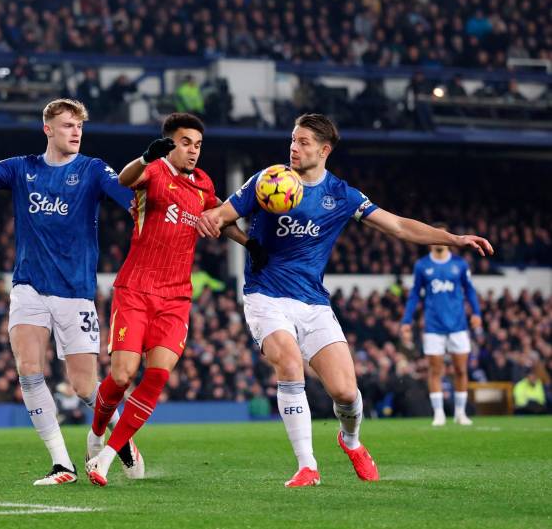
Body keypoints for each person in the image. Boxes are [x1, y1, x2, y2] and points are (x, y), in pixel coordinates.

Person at [196, 113, 493, 488]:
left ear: (324, 149)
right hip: (265, 296)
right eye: (292, 139)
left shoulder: (341, 195)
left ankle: (350, 440)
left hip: (313, 302)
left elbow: (399, 226)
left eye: (303, 142)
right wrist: (224, 228)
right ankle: (307, 465)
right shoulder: (267, 181)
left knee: (345, 393)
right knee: (288, 361)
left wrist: (453, 239)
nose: (294, 147)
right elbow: (222, 216)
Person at [0, 91, 142, 485]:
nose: (76, 132)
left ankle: (121, 440)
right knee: (29, 369)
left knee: (86, 388)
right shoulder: (23, 169)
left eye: (80, 126)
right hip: (29, 289)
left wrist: (144, 204)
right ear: (47, 129)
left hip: (76, 294)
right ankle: (62, 464)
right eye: (69, 125)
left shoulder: (93, 170)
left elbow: (129, 200)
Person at [85, 113, 262, 487]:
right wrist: (147, 157)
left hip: (176, 296)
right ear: (170, 143)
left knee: (159, 374)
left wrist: (249, 245)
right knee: (121, 376)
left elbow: (219, 216)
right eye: (186, 143)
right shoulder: (153, 171)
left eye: (198, 144)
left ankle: (105, 457)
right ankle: (97, 433)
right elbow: (123, 180)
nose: (193, 151)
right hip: (135, 289)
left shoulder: (203, 184)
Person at [401, 229, 482, 426]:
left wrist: (477, 313)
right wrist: (406, 320)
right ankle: (438, 413)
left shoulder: (459, 264)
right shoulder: (422, 266)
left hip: (458, 325)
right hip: (433, 326)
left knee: (461, 369)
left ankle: (460, 413)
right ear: (430, 240)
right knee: (435, 371)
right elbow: (414, 295)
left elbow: (470, 290)